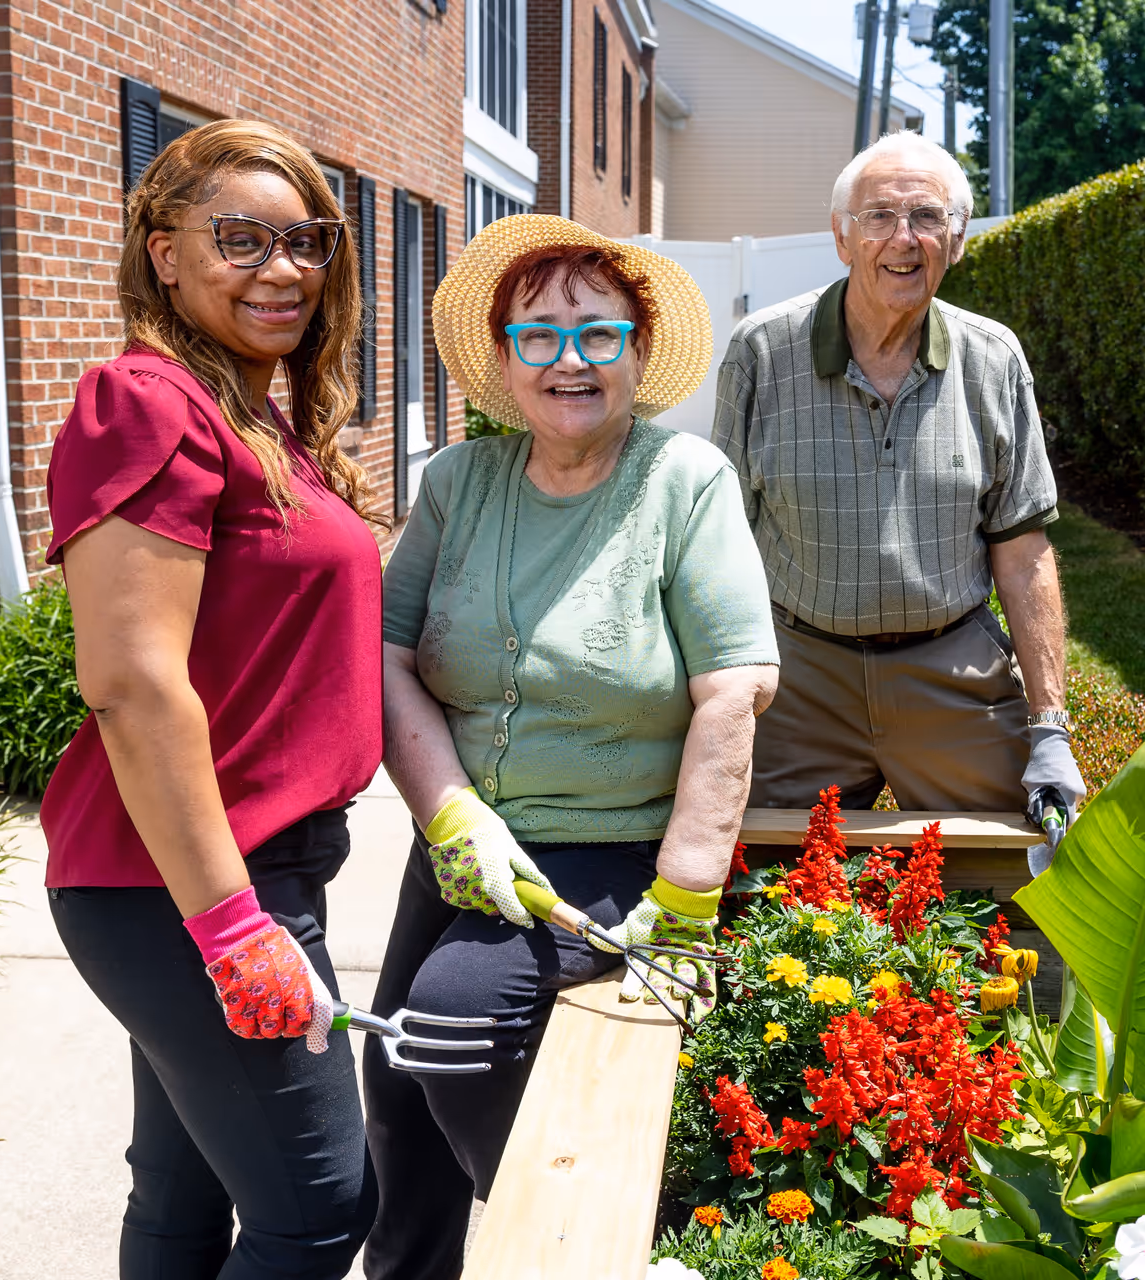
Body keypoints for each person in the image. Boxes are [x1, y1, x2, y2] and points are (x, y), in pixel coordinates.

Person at [362, 214, 777, 1280]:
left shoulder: (684, 481)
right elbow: (387, 654)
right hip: (463, 842)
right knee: (396, 1083)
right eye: (539, 336)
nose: (570, 362)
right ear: (504, 356)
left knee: (450, 1021)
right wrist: (449, 809)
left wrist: (686, 893)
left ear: (638, 351)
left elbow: (735, 689)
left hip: (617, 848)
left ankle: (572, 1247)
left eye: (598, 335)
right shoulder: (459, 482)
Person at [41, 120, 383, 1278]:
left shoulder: (252, 412)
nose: (283, 268)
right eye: (241, 238)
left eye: (307, 240)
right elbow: (132, 684)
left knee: (186, 1197)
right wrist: (235, 930)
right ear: (164, 252)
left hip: (236, 867)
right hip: (188, 885)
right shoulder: (148, 401)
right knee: (320, 1206)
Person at [712, 130, 1087, 850]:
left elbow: (1023, 550)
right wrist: (707, 702)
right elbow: (717, 545)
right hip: (799, 676)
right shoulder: (761, 353)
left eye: (927, 217)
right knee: (760, 883)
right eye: (879, 217)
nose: (903, 239)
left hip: (951, 671)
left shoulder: (995, 359)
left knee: (1024, 874)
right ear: (841, 236)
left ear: (959, 237)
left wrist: (1050, 728)